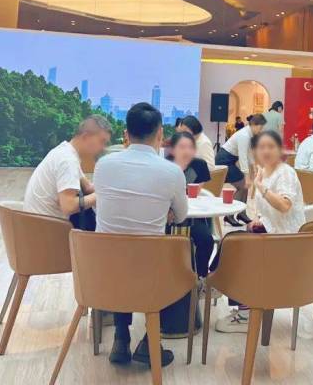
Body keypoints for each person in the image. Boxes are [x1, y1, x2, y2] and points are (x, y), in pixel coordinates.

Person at [94, 102, 188, 367]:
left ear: (126, 133)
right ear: (160, 133)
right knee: (177, 259)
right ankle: (150, 341)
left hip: (102, 271)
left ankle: (121, 337)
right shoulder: (171, 172)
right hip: (149, 273)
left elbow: (105, 209)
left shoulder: (103, 165)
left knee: (121, 249)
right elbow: (181, 216)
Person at [214, 130, 305, 332]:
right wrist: (259, 220)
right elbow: (271, 211)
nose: (265, 152)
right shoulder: (266, 172)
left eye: (271, 147)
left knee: (238, 250)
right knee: (231, 240)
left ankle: (244, 311)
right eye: (260, 147)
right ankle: (216, 282)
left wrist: (261, 187)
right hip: (274, 232)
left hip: (287, 240)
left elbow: (284, 205)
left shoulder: (285, 173)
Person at [24, 115, 112, 229]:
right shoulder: (68, 161)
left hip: (35, 226)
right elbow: (69, 206)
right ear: (86, 137)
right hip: (46, 231)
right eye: (102, 141)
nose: (103, 148)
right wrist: (102, 195)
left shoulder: (65, 151)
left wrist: (112, 188)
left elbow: (88, 187)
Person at [167, 131, 214, 278]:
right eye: (182, 147)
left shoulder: (199, 165)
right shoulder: (164, 165)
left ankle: (200, 277)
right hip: (168, 216)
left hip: (192, 215)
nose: (187, 151)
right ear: (173, 149)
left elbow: (198, 192)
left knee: (206, 240)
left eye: (190, 147)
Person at [215, 114, 266, 225]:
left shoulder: (249, 134)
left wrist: (253, 166)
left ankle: (242, 213)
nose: (261, 131)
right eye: (261, 128)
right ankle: (229, 215)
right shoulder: (244, 135)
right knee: (243, 185)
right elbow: (243, 157)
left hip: (229, 161)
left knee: (245, 186)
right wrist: (247, 176)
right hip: (224, 161)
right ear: (255, 125)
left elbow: (249, 153)